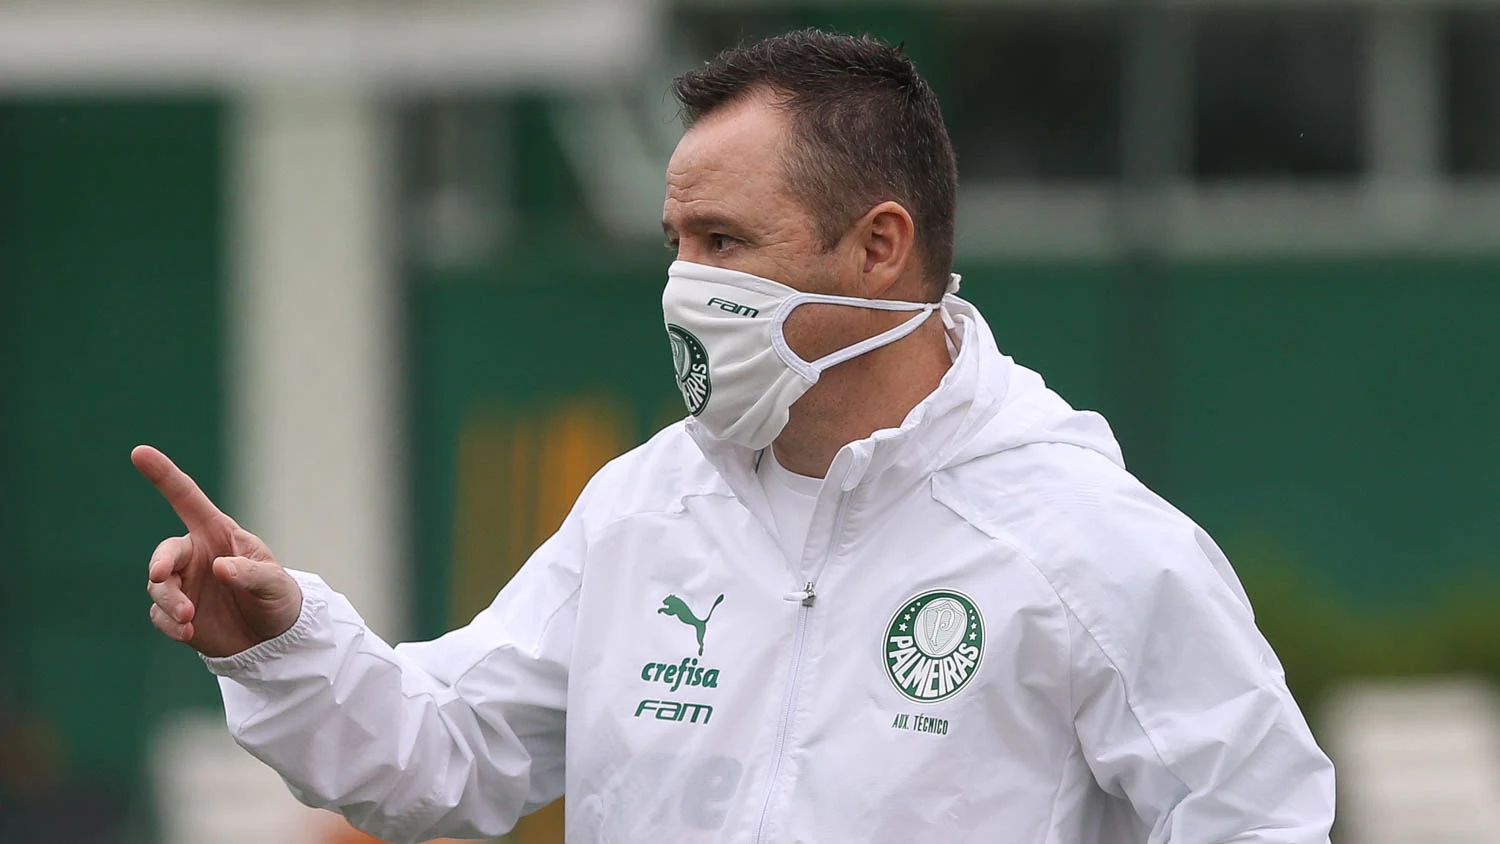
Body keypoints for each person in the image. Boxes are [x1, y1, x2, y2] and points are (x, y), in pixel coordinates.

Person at [139, 29, 1335, 844]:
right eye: (674, 241)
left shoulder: (1089, 544)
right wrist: (283, 641)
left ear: (878, 247)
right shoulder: (644, 509)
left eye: (725, 243)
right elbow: (445, 749)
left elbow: (1259, 815)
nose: (682, 283)